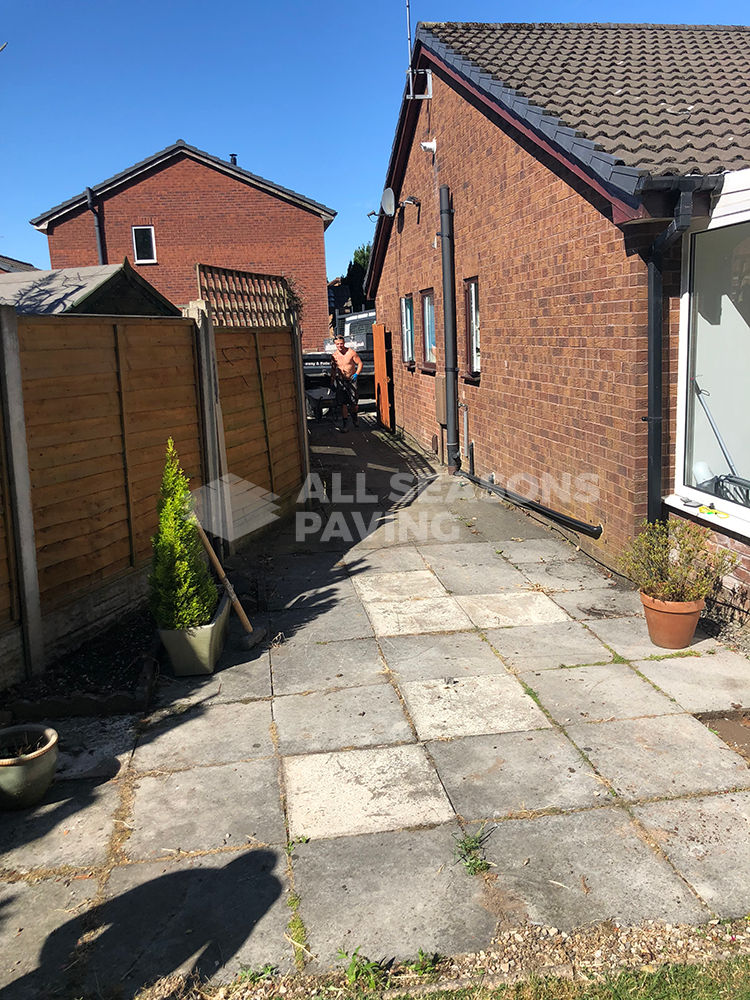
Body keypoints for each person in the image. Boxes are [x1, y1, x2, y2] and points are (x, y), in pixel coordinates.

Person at [330, 334, 363, 432]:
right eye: (337, 344)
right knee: (343, 404)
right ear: (335, 345)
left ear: (344, 343)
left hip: (351, 380)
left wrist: (356, 374)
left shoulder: (351, 353)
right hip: (341, 381)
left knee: (353, 403)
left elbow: (360, 363)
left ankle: (354, 417)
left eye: (341, 343)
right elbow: (333, 369)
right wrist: (332, 381)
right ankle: (345, 425)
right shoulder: (334, 356)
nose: (340, 346)